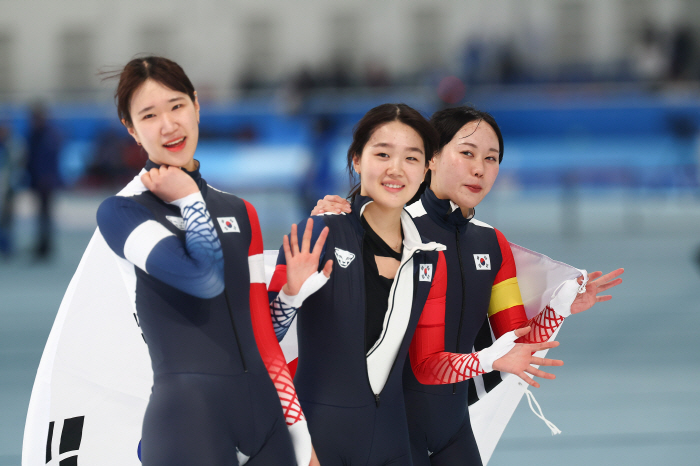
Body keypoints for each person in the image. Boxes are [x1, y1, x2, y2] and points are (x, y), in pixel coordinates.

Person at [312, 106, 624, 465]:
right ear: (431, 158)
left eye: (492, 159)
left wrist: (562, 306)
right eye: (467, 153)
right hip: (387, 428)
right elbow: (419, 364)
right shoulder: (392, 231)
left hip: (453, 429)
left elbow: (516, 345)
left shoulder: (491, 244)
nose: (480, 168)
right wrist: (334, 221)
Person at [96, 56, 319, 466]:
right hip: (187, 418)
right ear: (131, 129)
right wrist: (188, 199)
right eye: (149, 115)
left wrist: (289, 296)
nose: (168, 125)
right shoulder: (122, 212)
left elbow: (260, 334)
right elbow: (202, 278)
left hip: (266, 419)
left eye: (177, 106)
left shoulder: (240, 210)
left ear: (196, 105)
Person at [26, 103, 62, 259]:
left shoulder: (48, 135)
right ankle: (42, 244)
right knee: (40, 214)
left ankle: (45, 246)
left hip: (46, 182)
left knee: (46, 214)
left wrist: (47, 178)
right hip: (37, 181)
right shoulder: (34, 134)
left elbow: (48, 160)